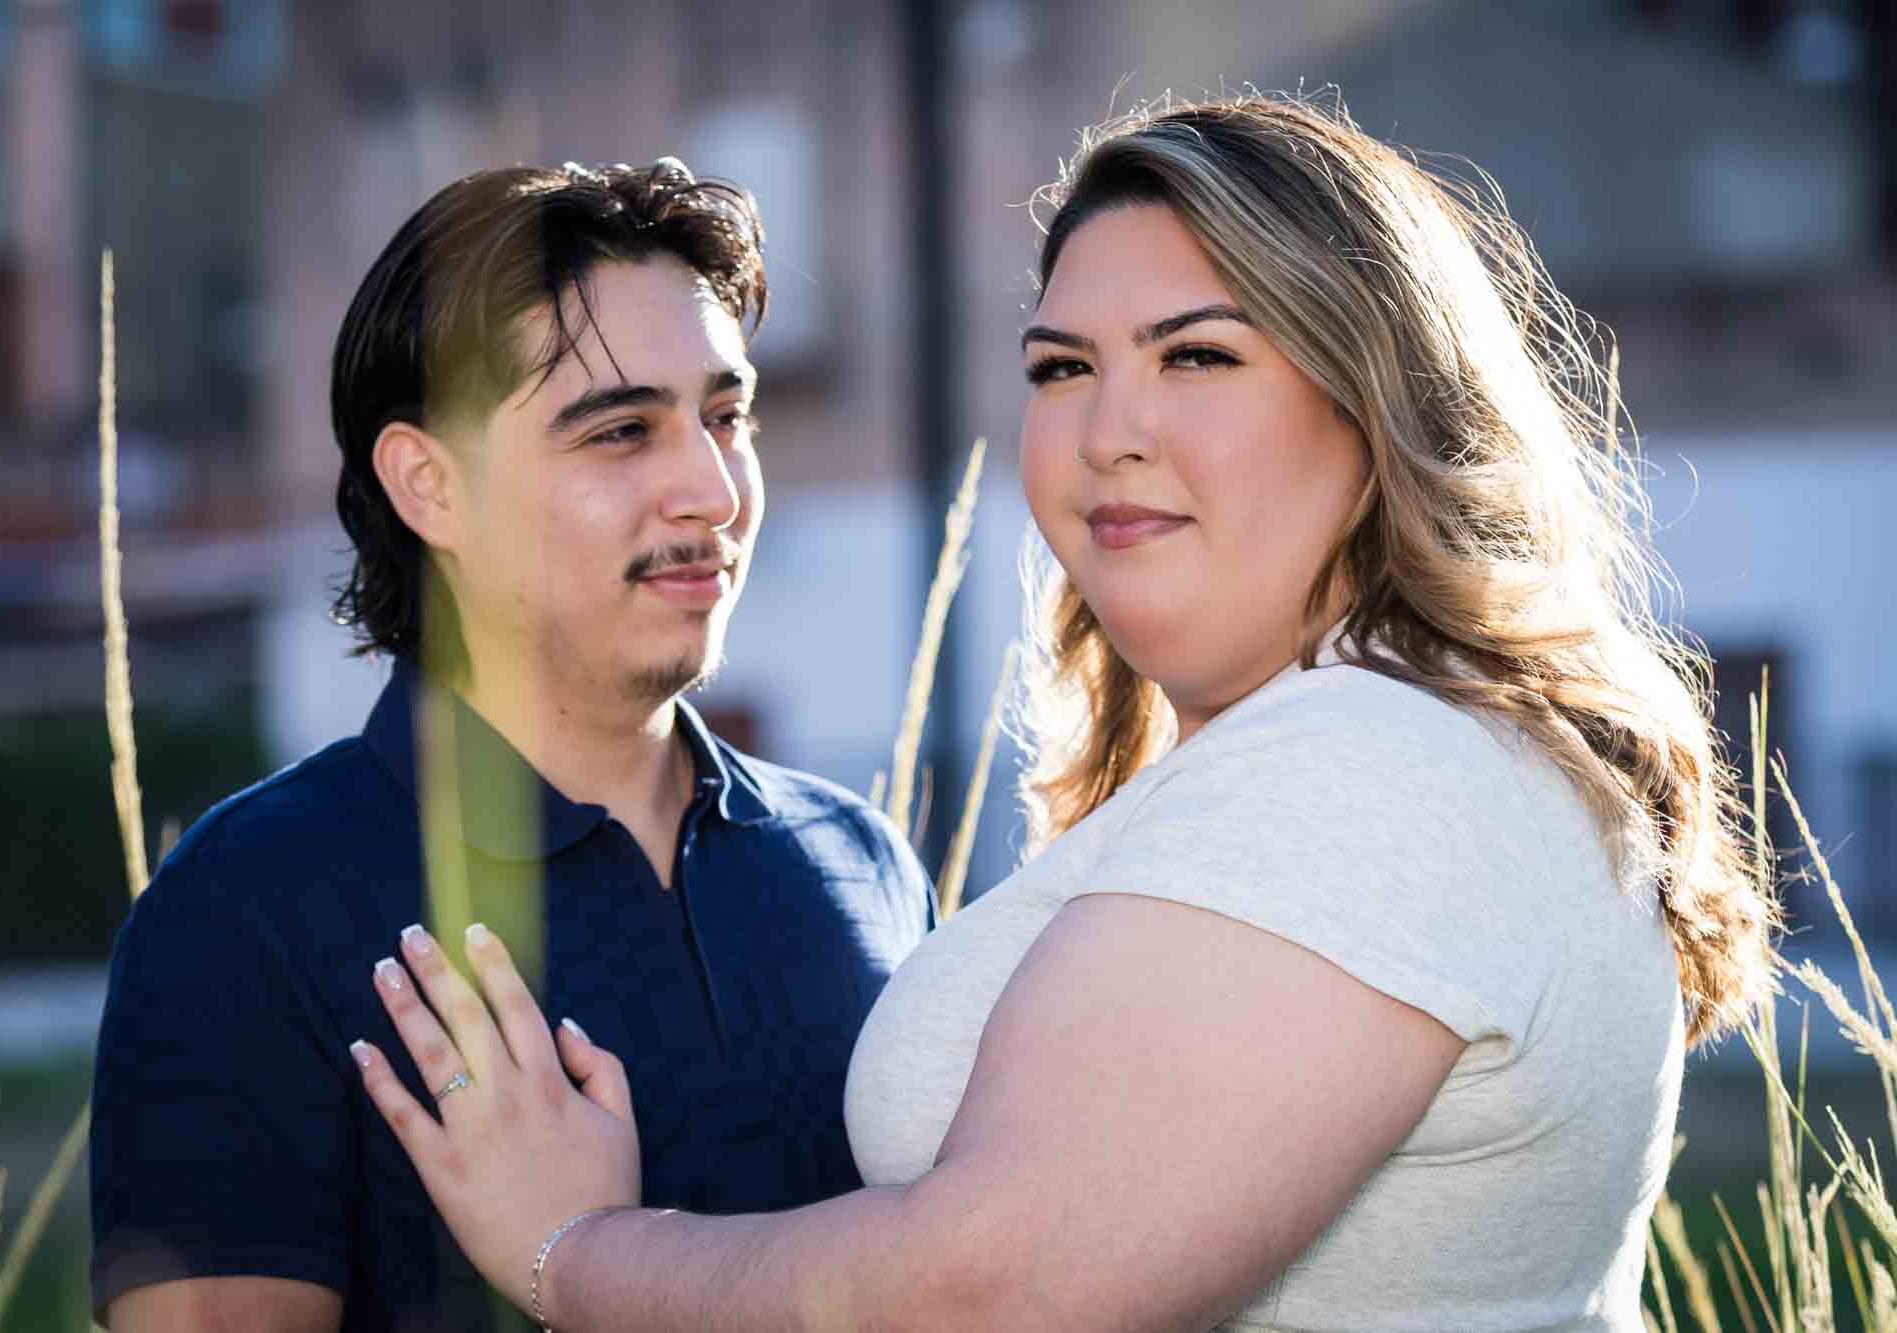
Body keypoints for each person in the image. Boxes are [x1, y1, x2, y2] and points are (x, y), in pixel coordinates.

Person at [348, 94, 1775, 1330]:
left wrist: (574, 1249)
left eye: (1199, 355)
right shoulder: (1354, 746)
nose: (1108, 432)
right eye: (1062, 368)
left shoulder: (1375, 762)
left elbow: (995, 1295)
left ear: (1377, 402)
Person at [88, 160, 935, 1333]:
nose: (711, 488)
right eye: (621, 432)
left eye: (726, 417)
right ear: (429, 485)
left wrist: (582, 1254)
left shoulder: (863, 861)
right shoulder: (244, 910)